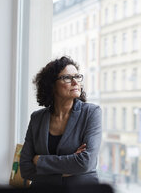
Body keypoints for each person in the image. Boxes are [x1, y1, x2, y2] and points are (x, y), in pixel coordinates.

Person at [20, 56, 102, 188]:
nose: (75, 82)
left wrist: (40, 161)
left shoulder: (91, 113)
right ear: (52, 85)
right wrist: (67, 169)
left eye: (77, 76)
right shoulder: (37, 118)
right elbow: (25, 168)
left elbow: (85, 162)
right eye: (67, 78)